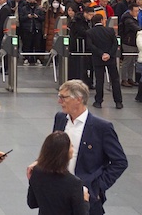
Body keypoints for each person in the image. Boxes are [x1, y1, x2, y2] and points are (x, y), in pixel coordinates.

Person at [28, 80, 127, 215]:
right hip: (56, 191)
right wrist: (40, 162)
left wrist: (97, 188)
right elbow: (53, 149)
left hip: (84, 195)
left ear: (78, 99)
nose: (59, 101)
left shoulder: (102, 128)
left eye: (63, 97)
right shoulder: (60, 118)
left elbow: (120, 161)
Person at [27, 131, 90, 215]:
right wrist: (85, 201)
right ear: (65, 153)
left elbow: (32, 203)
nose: (72, 148)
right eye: (71, 146)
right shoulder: (74, 183)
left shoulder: (36, 172)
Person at [84, 14, 122, 109]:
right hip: (111, 58)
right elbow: (115, 43)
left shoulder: (89, 32)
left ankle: (98, 101)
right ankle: (118, 101)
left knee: (99, 80)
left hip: (98, 59)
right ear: (102, 20)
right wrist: (109, 54)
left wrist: (101, 54)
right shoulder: (110, 30)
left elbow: (90, 46)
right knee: (115, 80)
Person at [117, 4, 140, 87]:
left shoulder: (133, 18)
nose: (137, 13)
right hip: (128, 42)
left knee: (132, 61)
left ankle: (130, 78)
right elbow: (135, 28)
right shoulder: (128, 19)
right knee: (127, 61)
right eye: (135, 11)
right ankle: (124, 79)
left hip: (133, 42)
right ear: (130, 11)